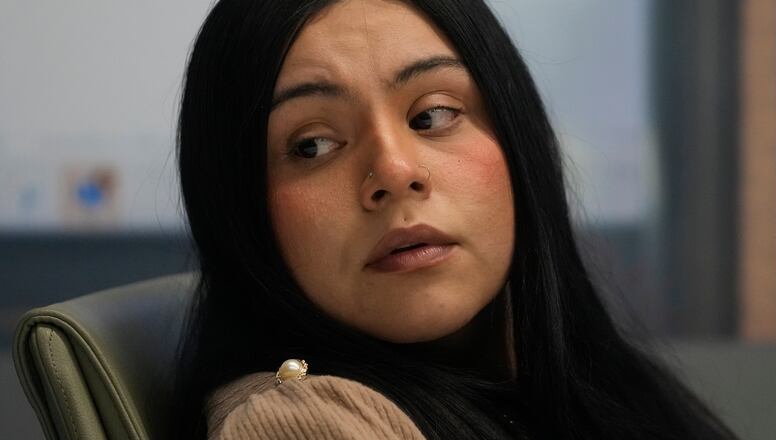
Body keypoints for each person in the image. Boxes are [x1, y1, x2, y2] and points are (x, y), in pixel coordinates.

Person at [172, 0, 739, 439]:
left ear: (517, 137)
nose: (395, 171)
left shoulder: (583, 384)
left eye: (433, 115)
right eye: (313, 145)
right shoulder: (300, 421)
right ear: (237, 206)